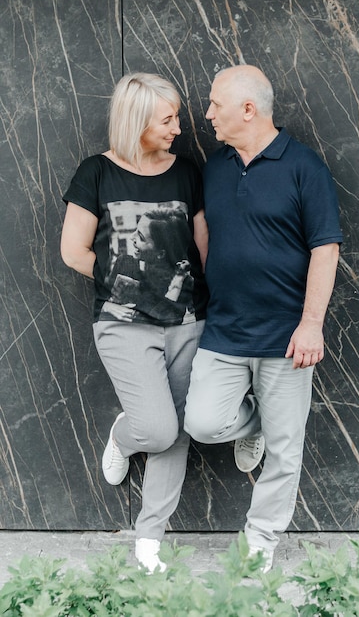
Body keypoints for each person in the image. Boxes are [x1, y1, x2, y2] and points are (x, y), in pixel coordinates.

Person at [184, 65, 342, 572]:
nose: (206, 113)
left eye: (215, 104)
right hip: (225, 331)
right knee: (204, 423)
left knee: (285, 450)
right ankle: (255, 422)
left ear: (248, 110)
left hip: (287, 337)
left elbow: (326, 247)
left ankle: (262, 537)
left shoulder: (304, 167)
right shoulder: (215, 168)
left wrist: (311, 323)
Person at [61, 72, 209, 573]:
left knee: (181, 431)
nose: (177, 128)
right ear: (137, 121)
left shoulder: (187, 172)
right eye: (166, 119)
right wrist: (127, 281)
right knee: (157, 428)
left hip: (188, 321)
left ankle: (149, 540)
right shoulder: (96, 173)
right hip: (122, 323)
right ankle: (126, 435)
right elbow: (73, 250)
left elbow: (202, 248)